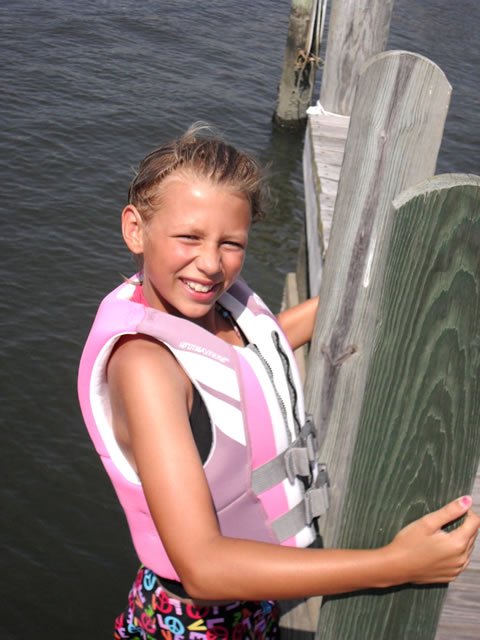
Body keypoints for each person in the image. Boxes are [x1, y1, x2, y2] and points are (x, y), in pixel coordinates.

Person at [78, 124, 479, 640]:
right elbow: (202, 567)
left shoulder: (214, 308)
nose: (210, 263)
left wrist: (370, 290)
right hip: (190, 622)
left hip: (253, 602)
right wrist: (396, 564)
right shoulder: (145, 367)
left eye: (231, 244)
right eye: (189, 238)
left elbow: (252, 356)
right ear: (136, 229)